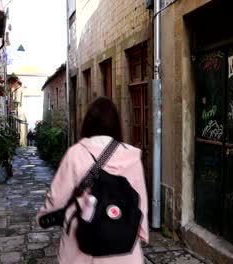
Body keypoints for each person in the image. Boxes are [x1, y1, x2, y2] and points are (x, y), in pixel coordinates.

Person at [37, 96, 149, 264]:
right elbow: (140, 201)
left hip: (82, 245)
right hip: (122, 245)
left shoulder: (75, 153)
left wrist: (44, 215)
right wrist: (140, 231)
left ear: (87, 123)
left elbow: (57, 197)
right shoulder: (131, 155)